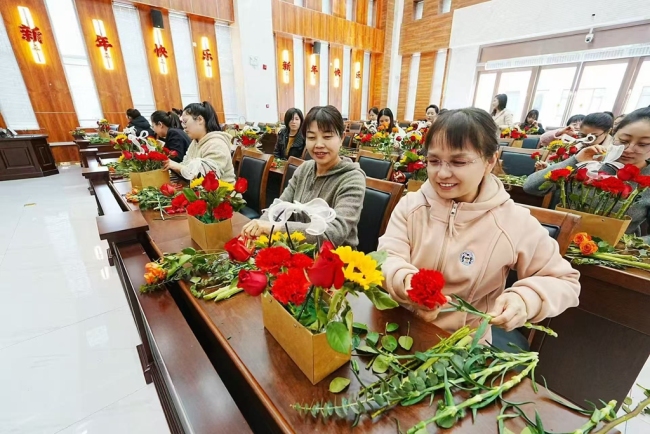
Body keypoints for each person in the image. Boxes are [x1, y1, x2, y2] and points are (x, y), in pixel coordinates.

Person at [377, 108, 580, 341]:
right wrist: (406, 282)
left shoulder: (513, 221)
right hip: (398, 327)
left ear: (490, 160)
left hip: (463, 346)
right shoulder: (411, 206)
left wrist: (525, 299)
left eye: (459, 161)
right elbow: (388, 256)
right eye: (433, 161)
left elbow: (564, 281)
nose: (442, 173)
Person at [242, 105, 366, 247]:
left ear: (342, 137)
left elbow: (332, 234)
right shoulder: (304, 169)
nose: (319, 144)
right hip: (296, 250)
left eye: (327, 137)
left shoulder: (352, 179)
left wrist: (275, 228)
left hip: (336, 260)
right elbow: (279, 207)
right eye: (311, 137)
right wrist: (260, 227)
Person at [524, 107, 650, 241]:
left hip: (609, 256)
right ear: (613, 134)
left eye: (643, 144)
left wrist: (627, 246)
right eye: (623, 141)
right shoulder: (591, 158)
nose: (629, 149)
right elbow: (530, 187)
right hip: (554, 242)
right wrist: (575, 160)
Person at [163, 101, 236, 183]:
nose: (184, 127)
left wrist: (177, 167)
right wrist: (173, 166)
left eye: (185, 121)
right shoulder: (195, 143)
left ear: (200, 119)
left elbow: (209, 177)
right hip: (202, 192)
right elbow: (186, 165)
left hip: (222, 194)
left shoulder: (216, 143)